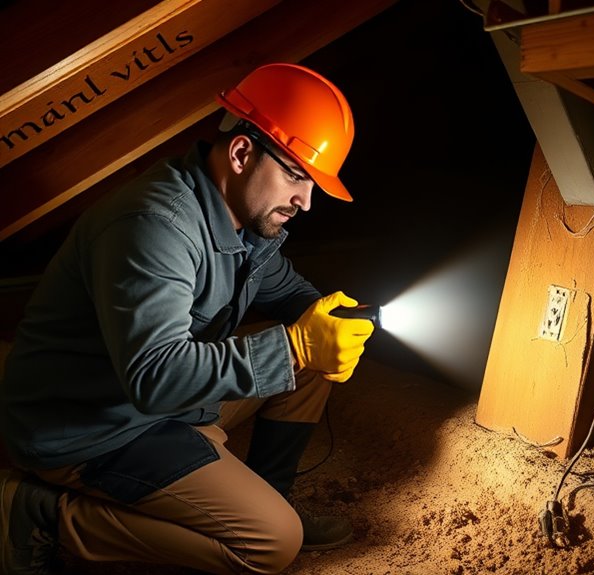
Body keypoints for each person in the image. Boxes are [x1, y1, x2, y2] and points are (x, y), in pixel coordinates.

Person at [0, 63, 375, 574]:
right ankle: (44, 513)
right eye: (295, 175)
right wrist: (294, 347)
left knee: (307, 357)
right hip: (92, 427)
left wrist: (333, 319)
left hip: (163, 410)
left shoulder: (243, 220)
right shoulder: (156, 226)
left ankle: (274, 495)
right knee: (271, 543)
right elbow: (155, 377)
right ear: (243, 153)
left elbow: (290, 293)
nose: (305, 201)